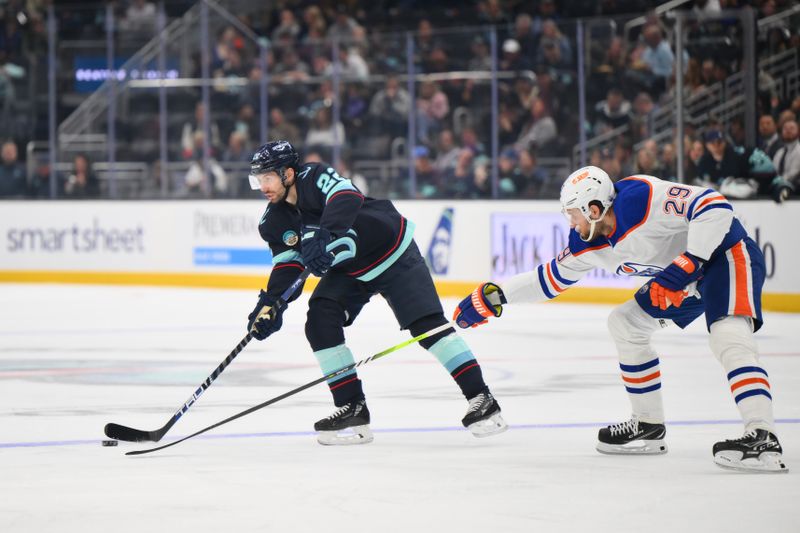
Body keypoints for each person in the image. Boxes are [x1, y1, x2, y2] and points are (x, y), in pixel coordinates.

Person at [452, 166, 788, 473]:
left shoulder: (642, 198)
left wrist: (689, 261)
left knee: (728, 335)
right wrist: (496, 297)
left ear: (593, 210)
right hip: (683, 281)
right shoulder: (587, 243)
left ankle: (762, 435)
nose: (571, 223)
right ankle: (648, 425)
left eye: (573, 215)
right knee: (625, 324)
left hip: (726, 255)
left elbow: (714, 206)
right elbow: (549, 280)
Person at [245, 140, 507, 445]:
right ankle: (351, 407)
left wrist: (326, 232)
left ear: (287, 173)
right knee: (319, 320)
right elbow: (287, 266)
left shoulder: (314, 177)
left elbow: (346, 195)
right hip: (351, 270)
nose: (262, 186)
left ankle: (482, 399)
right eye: (258, 179)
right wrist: (272, 304)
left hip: (392, 251)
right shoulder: (273, 221)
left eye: (267, 177)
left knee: (427, 327)